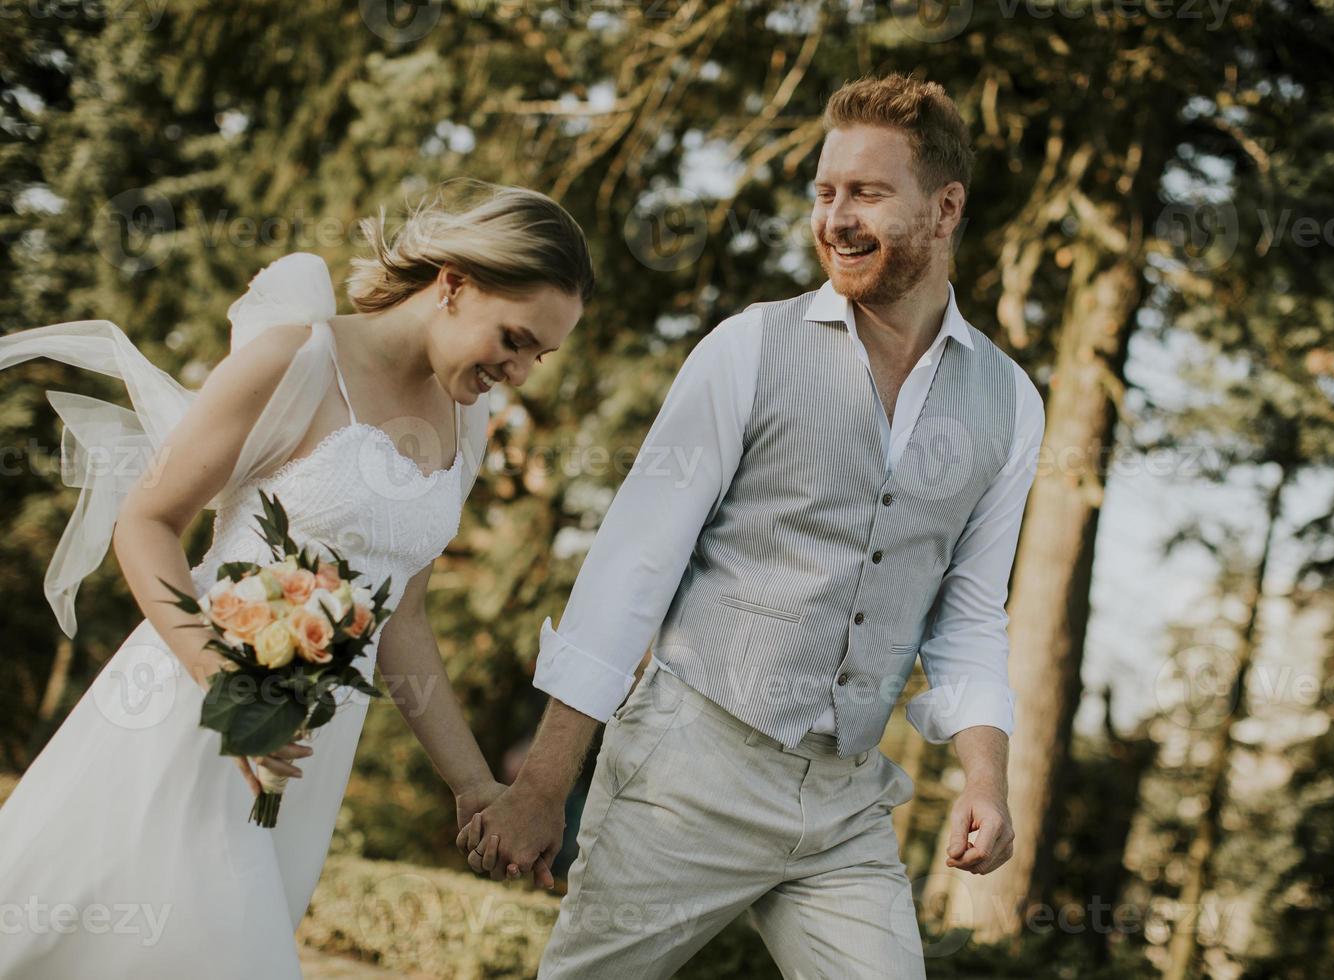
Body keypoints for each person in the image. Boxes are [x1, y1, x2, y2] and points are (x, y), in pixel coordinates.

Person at [457, 74, 1046, 978]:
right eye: (825, 191)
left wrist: (983, 775)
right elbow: (629, 571)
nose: (835, 217)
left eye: (868, 193)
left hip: (845, 802)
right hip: (688, 773)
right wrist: (543, 785)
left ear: (945, 208)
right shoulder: (746, 349)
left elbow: (968, 612)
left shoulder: (1010, 403)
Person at [0, 182, 592, 978]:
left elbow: (402, 622)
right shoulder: (298, 358)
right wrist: (228, 691)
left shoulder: (467, 424)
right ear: (452, 284)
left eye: (538, 355)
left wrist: (472, 783)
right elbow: (144, 525)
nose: (519, 370)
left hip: (309, 759)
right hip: (192, 718)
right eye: (514, 339)